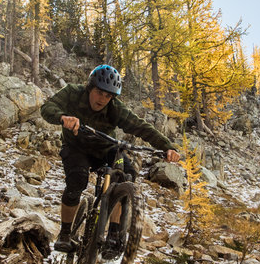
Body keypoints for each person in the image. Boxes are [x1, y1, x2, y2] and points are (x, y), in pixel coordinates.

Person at [40, 64, 181, 253]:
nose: (103, 99)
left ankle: (113, 235)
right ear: (90, 87)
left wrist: (167, 146)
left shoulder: (115, 108)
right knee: (77, 180)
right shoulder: (73, 93)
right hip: (76, 148)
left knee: (126, 175)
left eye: (108, 96)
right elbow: (47, 107)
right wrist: (63, 117)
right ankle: (65, 234)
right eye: (99, 92)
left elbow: (140, 127)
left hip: (105, 149)